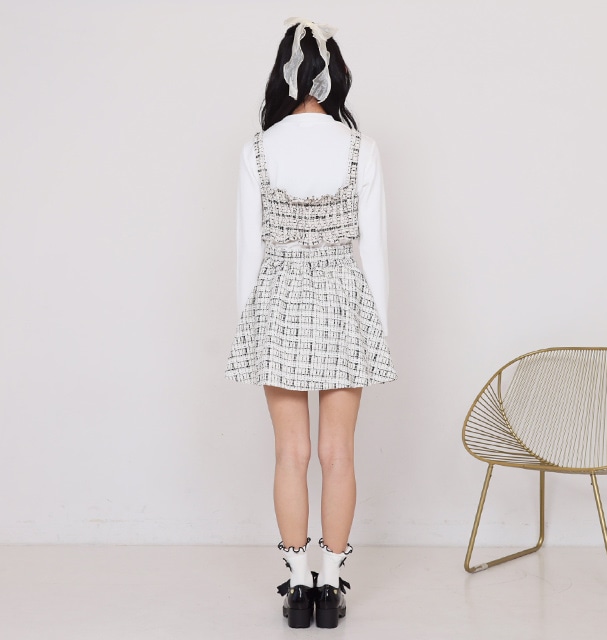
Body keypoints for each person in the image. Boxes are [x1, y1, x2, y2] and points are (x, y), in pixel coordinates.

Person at [225, 17, 397, 629]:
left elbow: (249, 250)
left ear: (283, 73)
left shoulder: (257, 148)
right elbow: (374, 250)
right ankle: (330, 584)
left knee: (290, 453)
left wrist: (248, 329)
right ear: (334, 76)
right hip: (344, 301)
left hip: (278, 301)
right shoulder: (360, 148)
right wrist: (379, 332)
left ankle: (297, 586)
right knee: (338, 453)